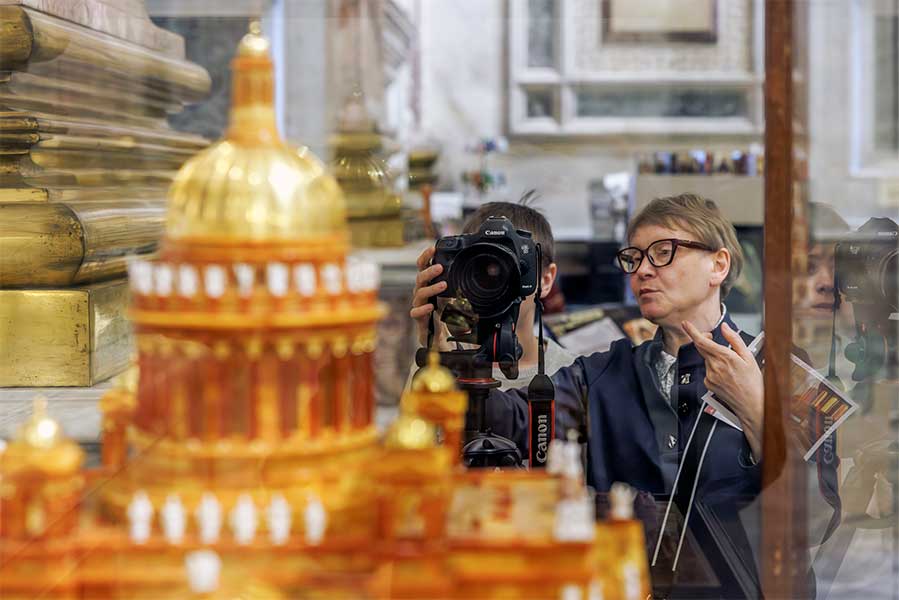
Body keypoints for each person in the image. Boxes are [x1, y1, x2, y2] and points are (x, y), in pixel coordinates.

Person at [408, 196, 575, 389]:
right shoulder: (441, 357)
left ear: (545, 280)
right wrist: (442, 358)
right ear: (460, 271)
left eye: (508, 266)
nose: (492, 279)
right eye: (480, 269)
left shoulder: (571, 374)